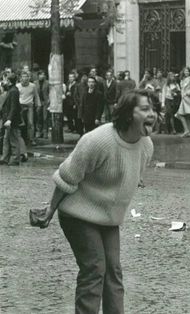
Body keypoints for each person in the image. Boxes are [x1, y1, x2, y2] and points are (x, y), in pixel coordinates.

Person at [39, 89, 157, 314]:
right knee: (94, 269)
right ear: (127, 113)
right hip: (78, 214)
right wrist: (50, 209)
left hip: (108, 218)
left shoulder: (146, 145)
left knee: (113, 271)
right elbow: (67, 177)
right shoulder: (98, 140)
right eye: (144, 109)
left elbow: (133, 173)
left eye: (153, 109)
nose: (152, 114)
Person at [0, 73, 22, 166]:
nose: (4, 81)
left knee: (13, 139)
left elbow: (14, 107)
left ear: (9, 81)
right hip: (8, 118)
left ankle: (15, 158)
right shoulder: (11, 90)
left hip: (11, 120)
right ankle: (5, 158)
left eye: (6, 80)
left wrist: (9, 119)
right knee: (6, 138)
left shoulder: (14, 91)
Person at [16, 71, 41, 146]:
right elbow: (16, 97)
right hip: (20, 105)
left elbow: (36, 96)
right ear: (21, 78)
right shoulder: (18, 86)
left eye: (26, 77)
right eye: (23, 77)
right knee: (20, 123)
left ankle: (31, 139)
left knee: (30, 123)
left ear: (29, 78)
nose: (25, 78)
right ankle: (20, 138)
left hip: (30, 105)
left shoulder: (32, 86)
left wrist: (38, 105)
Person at [175, 67, 190, 137]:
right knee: (186, 115)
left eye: (188, 71)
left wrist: (187, 93)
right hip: (183, 99)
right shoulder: (182, 80)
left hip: (188, 99)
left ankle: (186, 130)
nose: (186, 73)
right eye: (185, 71)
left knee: (180, 114)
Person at [34, 70, 50, 139]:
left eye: (43, 75)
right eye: (40, 75)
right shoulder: (35, 83)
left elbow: (50, 92)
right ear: (38, 76)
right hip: (38, 102)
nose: (42, 76)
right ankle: (39, 131)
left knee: (45, 117)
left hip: (45, 101)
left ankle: (45, 132)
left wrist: (49, 100)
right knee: (38, 117)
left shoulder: (47, 83)